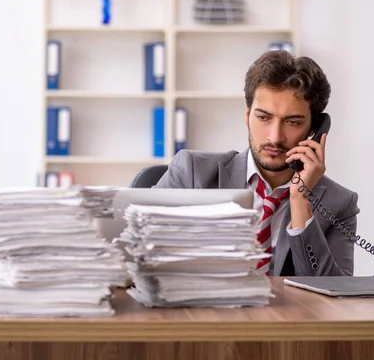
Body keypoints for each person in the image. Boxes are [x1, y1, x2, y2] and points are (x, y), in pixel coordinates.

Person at [154, 50, 360, 277]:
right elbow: (139, 253)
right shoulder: (193, 172)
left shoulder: (339, 203)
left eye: (292, 122)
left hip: (288, 313)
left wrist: (300, 200)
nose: (275, 137)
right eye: (263, 117)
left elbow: (333, 295)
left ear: (315, 130)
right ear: (247, 115)